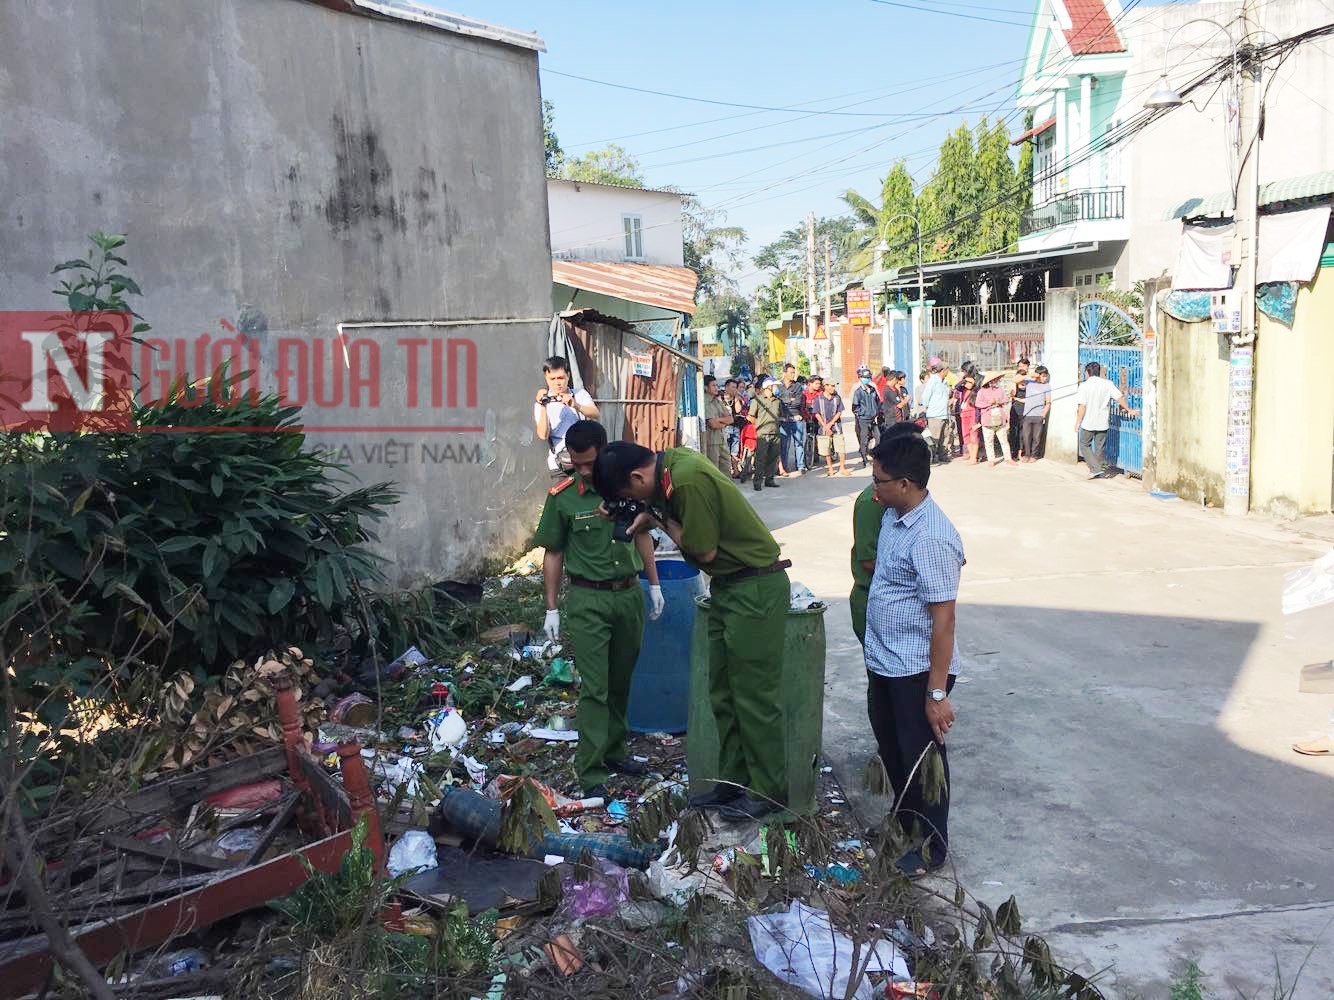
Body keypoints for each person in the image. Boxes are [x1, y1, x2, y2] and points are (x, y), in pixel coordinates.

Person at [591, 442, 792, 821]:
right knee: (722, 690)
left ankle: (769, 790)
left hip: (754, 588)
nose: (632, 501)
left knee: (753, 696)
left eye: (628, 494)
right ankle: (734, 782)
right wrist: (648, 511)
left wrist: (654, 515)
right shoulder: (669, 470)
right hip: (729, 588)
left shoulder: (686, 481)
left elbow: (703, 551)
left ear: (637, 477)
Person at [534, 421, 663, 796]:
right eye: (577, 464)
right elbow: (553, 553)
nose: (584, 471)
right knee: (595, 688)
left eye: (590, 463)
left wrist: (653, 584)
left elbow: (642, 535)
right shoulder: (563, 497)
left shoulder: (625, 487)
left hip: (628, 595)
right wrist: (551, 608)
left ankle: (615, 751)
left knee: (622, 680)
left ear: (604, 454)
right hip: (589, 600)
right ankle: (590, 771)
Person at [864, 425, 965, 877]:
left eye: (879, 481)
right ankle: (903, 825)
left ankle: (931, 848)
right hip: (885, 661)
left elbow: (944, 620)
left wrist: (937, 693)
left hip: (916, 670)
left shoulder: (932, 537)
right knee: (894, 750)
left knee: (924, 761)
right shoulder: (892, 515)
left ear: (905, 484)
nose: (873, 489)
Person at [534, 355, 599, 472]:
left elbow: (595, 414)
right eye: (552, 379)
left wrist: (575, 405)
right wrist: (543, 405)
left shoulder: (579, 394)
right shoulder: (542, 403)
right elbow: (543, 435)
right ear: (546, 378)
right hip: (560, 465)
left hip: (585, 460)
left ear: (568, 376)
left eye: (561, 378)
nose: (557, 383)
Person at [1076, 361, 1139, 479]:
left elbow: (1082, 406)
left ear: (1087, 373)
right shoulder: (1108, 384)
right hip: (1103, 421)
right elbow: (1119, 397)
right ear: (1099, 372)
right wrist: (1129, 409)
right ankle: (1097, 469)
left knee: (1084, 444)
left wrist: (1078, 422)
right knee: (1100, 447)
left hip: (1088, 422)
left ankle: (1095, 469)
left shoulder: (1084, 386)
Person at [748, 376, 783, 491]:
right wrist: (758, 426)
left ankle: (770, 479)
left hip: (775, 432)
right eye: (775, 386)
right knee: (760, 458)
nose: (776, 388)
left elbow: (780, 415)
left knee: (773, 458)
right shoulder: (757, 400)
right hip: (763, 434)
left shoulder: (777, 401)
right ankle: (757, 482)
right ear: (768, 387)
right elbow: (751, 416)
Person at [974, 370, 1015, 466]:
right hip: (987, 419)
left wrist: (998, 400)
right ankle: (991, 460)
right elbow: (978, 403)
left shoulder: (999, 390)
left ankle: (1008, 458)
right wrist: (989, 402)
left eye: (996, 379)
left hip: (1000, 418)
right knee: (989, 441)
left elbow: (1005, 400)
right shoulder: (982, 391)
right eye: (993, 379)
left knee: (1004, 440)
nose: (995, 381)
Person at [812, 378, 850, 478]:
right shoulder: (818, 399)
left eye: (834, 386)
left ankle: (842, 467)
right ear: (825, 386)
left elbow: (839, 411)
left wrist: (831, 423)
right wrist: (825, 425)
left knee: (841, 447)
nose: (833, 388)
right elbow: (817, 414)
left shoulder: (837, 398)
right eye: (831, 386)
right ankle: (830, 468)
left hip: (836, 426)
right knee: (826, 448)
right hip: (824, 427)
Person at [920, 359, 952, 465]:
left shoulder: (945, 382)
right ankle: (933, 456)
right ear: (943, 370)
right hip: (935, 415)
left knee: (945, 436)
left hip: (945, 413)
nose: (948, 372)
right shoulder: (933, 381)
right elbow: (925, 397)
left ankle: (943, 455)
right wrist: (926, 409)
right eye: (948, 370)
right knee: (935, 438)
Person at [777, 363, 807, 477]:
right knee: (784, 444)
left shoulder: (798, 386)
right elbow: (778, 401)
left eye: (794, 372)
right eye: (791, 372)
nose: (793, 375)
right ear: (784, 373)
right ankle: (784, 466)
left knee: (799, 442)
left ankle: (800, 465)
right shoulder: (778, 386)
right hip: (783, 418)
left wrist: (787, 401)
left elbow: (798, 402)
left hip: (796, 417)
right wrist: (789, 399)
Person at [851, 366, 883, 468]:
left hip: (873, 419)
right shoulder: (858, 391)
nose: (867, 379)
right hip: (863, 419)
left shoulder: (873, 389)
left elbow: (878, 402)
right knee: (864, 439)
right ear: (860, 377)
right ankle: (865, 459)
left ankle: (877, 457)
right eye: (865, 377)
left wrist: (876, 412)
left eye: (869, 377)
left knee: (878, 438)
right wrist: (863, 414)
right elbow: (855, 407)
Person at [702, 375, 732, 476]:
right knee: (714, 470)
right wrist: (723, 422)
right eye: (713, 385)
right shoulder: (704, 401)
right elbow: (713, 424)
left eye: (717, 385)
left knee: (726, 468)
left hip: (722, 439)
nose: (716, 388)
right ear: (706, 387)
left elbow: (731, 419)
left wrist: (719, 420)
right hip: (711, 441)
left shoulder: (717, 400)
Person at [1021, 366, 1051, 462]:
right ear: (1037, 375)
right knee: (1026, 436)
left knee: (1036, 438)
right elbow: (1015, 380)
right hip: (1027, 415)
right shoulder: (1029, 382)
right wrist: (1029, 375)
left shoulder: (1047, 386)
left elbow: (1048, 402)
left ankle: (1034, 456)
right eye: (1042, 376)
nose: (1044, 378)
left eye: (1045, 376)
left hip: (1038, 415)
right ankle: (1027, 454)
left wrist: (1043, 415)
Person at [1008, 357, 1032, 460]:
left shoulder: (1031, 379)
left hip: (1027, 408)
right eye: (1019, 366)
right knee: (1014, 431)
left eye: (1023, 366)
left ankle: (1022, 452)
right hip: (1016, 408)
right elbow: (1012, 394)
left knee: (1024, 431)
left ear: (1028, 366)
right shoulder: (1015, 379)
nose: (1021, 367)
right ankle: (1013, 452)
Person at [954, 371, 980, 464]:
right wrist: (964, 380)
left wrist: (977, 420)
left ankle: (974, 457)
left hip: (973, 415)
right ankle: (971, 455)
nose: (969, 384)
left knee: (974, 436)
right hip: (963, 415)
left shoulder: (976, 391)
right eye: (967, 382)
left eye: (971, 382)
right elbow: (956, 386)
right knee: (966, 437)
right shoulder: (962, 389)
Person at [723, 379, 746, 478]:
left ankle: (736, 471)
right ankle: (728, 471)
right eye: (733, 387)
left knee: (735, 451)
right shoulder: (720, 398)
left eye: (736, 387)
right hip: (725, 427)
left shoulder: (736, 398)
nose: (735, 389)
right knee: (725, 451)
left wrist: (737, 397)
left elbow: (738, 410)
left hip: (735, 427)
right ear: (726, 387)